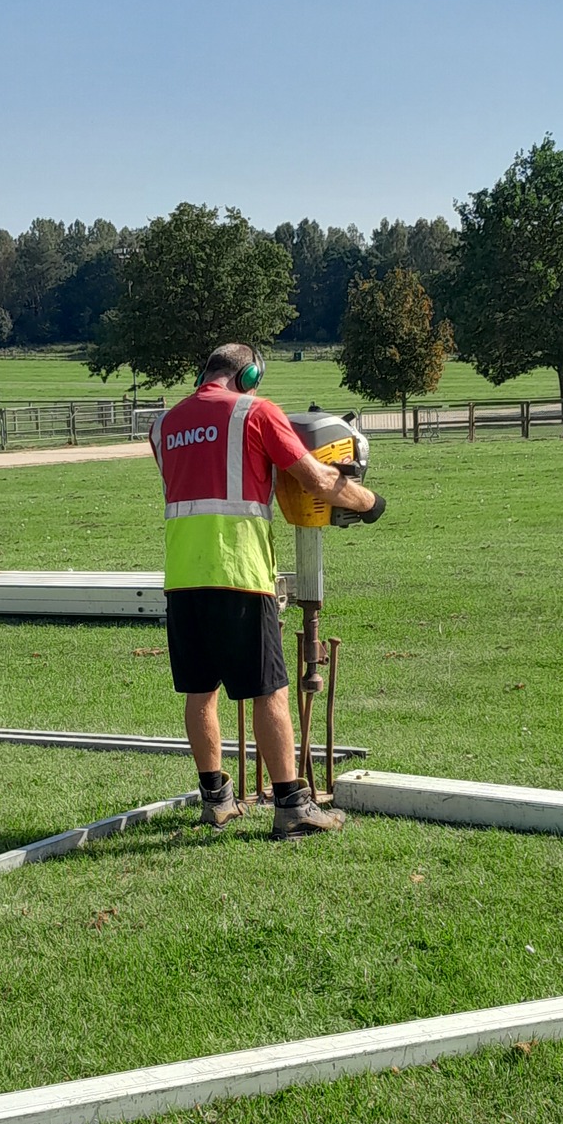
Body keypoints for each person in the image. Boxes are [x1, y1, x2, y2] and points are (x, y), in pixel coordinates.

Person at [149, 343, 384, 838]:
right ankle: (293, 807)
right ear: (250, 374)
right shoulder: (256, 412)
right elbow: (318, 480)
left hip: (181, 578)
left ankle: (216, 800)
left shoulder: (163, 426)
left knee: (200, 692)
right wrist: (370, 502)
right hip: (239, 572)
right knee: (269, 691)